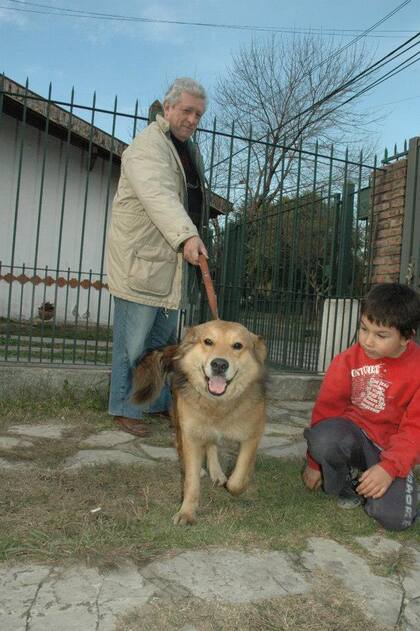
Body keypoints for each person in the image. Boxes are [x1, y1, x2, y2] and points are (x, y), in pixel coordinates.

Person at [106, 77, 208, 436]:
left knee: (163, 346)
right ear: (167, 109)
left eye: (199, 114)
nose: (193, 119)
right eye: (187, 111)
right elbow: (160, 196)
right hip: (142, 262)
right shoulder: (148, 146)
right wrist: (187, 236)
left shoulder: (183, 149)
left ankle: (158, 402)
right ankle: (125, 406)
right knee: (133, 344)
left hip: (169, 265)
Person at [303, 282, 420, 531]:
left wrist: (389, 468)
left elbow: (415, 430)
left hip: (390, 447)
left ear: (407, 336)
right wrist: (315, 462)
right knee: (324, 437)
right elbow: (326, 411)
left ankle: (374, 483)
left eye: (381, 335)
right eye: (364, 329)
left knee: (396, 519)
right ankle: (345, 480)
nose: (367, 341)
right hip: (353, 436)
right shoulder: (346, 360)